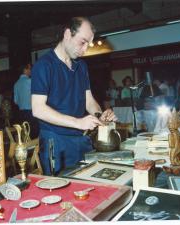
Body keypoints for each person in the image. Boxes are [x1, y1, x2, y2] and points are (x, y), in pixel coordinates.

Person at [31, 17, 117, 175]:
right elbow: (38, 109)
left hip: (81, 139)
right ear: (67, 34)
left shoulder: (81, 66)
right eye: (82, 42)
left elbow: (89, 100)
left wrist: (100, 115)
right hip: (56, 141)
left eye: (88, 45)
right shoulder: (44, 65)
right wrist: (78, 122)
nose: (85, 50)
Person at [14, 63, 39, 138]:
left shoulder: (16, 84)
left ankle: (29, 149)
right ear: (25, 70)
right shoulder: (30, 81)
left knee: (26, 135)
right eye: (29, 69)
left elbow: (15, 101)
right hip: (32, 112)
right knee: (35, 135)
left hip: (21, 113)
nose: (31, 70)